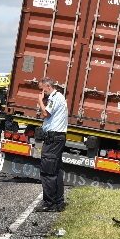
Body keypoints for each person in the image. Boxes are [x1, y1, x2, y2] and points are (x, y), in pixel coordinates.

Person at [34, 77, 68, 213]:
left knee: (48, 171)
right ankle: (58, 202)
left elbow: (45, 114)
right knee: (56, 170)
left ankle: (49, 203)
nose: (42, 93)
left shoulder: (55, 98)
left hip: (53, 139)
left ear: (48, 86)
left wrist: (40, 101)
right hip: (56, 138)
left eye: (42, 90)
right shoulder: (57, 97)